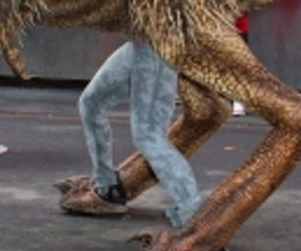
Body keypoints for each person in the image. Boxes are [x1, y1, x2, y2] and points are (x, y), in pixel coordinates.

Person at [59, 39, 205, 231]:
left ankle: (192, 211)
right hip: (139, 44)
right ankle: (107, 187)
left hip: (160, 47)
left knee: (148, 133)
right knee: (90, 103)